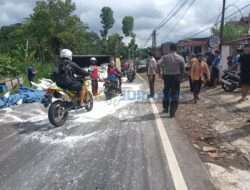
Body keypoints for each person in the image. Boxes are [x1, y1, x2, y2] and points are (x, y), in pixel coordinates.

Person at [159, 43, 185, 118]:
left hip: (167, 77)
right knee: (175, 93)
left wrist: (159, 73)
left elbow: (158, 64)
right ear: (176, 49)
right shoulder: (180, 58)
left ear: (170, 49)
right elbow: (183, 69)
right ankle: (172, 110)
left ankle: (166, 108)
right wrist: (181, 77)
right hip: (176, 77)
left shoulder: (165, 57)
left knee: (166, 92)